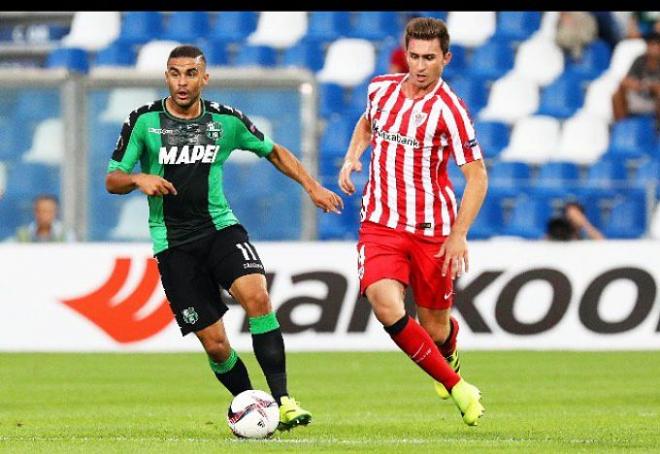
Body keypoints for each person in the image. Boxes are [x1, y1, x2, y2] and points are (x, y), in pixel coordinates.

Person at [105, 45, 343, 431]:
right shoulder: (143, 121)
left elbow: (273, 151)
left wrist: (311, 186)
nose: (182, 82)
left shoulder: (225, 121)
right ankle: (255, 408)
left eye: (190, 73)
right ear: (166, 76)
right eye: (175, 73)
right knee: (216, 344)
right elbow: (112, 178)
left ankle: (283, 400)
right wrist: (137, 178)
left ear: (205, 78)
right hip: (174, 244)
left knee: (258, 297)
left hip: (219, 229)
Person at [338, 17, 488, 426]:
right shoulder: (380, 89)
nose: (420, 66)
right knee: (385, 303)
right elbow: (368, 123)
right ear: (406, 53)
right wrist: (354, 154)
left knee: (435, 329)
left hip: (432, 232)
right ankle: (459, 387)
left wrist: (459, 235)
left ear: (446, 58)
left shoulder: (450, 110)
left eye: (429, 58)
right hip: (381, 224)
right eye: (414, 56)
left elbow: (477, 175)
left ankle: (449, 352)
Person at [612, 31, 660, 127]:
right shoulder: (640, 60)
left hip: (655, 101)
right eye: (651, 44)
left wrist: (652, 87)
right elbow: (625, 80)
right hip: (640, 96)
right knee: (617, 94)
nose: (654, 48)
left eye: (657, 44)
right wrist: (633, 84)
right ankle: (622, 128)